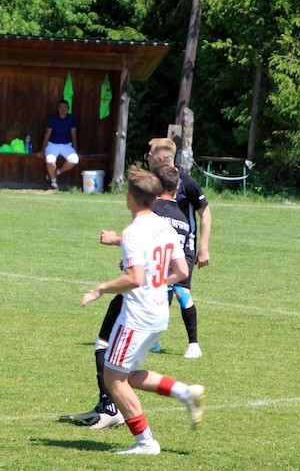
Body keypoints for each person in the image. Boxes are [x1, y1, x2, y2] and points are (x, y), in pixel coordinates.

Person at [80, 165, 205, 455]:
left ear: (131, 198)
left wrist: (100, 289)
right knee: (126, 374)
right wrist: (158, 282)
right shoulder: (165, 226)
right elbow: (182, 270)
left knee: (113, 378)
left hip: (137, 315)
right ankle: (185, 392)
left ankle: (145, 441)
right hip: (159, 311)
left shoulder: (134, 231)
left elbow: (134, 278)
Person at [144, 137, 210, 358]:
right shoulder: (154, 181)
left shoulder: (187, 183)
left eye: (151, 154)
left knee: (181, 291)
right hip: (160, 246)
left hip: (183, 246)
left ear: (160, 159)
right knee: (160, 290)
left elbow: (205, 213)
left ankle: (194, 344)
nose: (148, 157)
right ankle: (152, 340)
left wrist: (203, 248)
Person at [38, 99, 79, 190]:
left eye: (65, 107)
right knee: (50, 160)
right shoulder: (52, 118)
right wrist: (42, 150)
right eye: (61, 107)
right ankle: (53, 181)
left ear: (68, 108)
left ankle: (57, 172)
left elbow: (74, 135)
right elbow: (47, 135)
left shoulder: (71, 119)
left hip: (67, 145)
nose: (63, 109)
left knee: (74, 159)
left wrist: (75, 150)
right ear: (57, 108)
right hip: (53, 144)